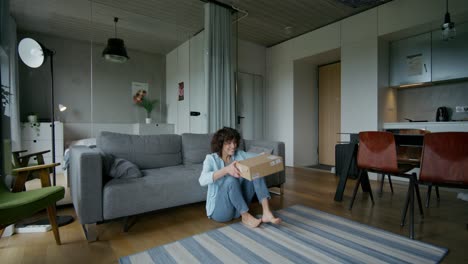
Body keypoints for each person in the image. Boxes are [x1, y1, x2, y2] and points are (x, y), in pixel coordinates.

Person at [199, 127, 281, 227]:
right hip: (220, 212)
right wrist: (226, 170)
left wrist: (263, 156)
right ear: (220, 144)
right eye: (229, 143)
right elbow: (202, 180)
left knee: (255, 172)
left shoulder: (240, 154)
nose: (233, 146)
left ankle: (266, 212)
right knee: (230, 180)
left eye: (235, 142)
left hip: (237, 209)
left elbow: (257, 158)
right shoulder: (210, 159)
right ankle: (245, 216)